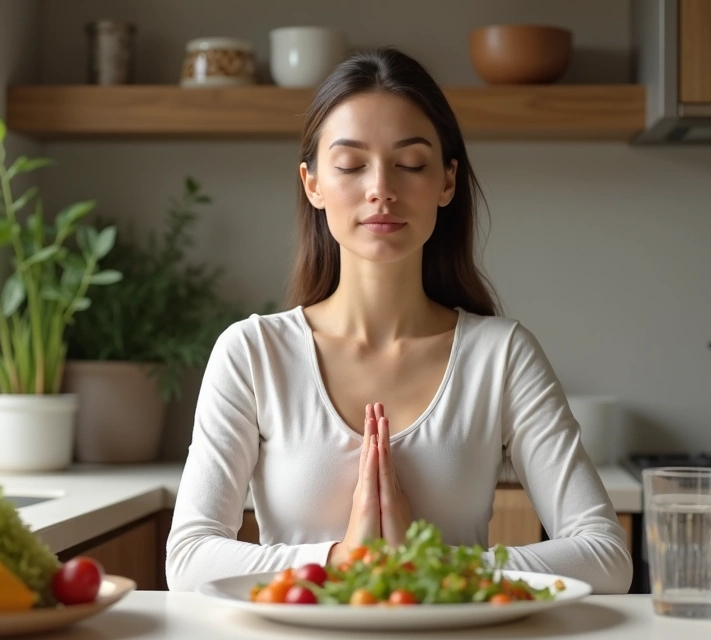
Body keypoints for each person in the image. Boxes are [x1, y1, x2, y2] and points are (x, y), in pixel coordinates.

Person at [164, 47, 633, 594]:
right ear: (313, 184)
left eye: (410, 164)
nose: (381, 187)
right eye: (350, 165)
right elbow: (188, 560)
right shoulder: (252, 352)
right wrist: (342, 558)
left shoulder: (501, 355)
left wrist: (425, 565)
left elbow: (605, 556)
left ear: (446, 182)